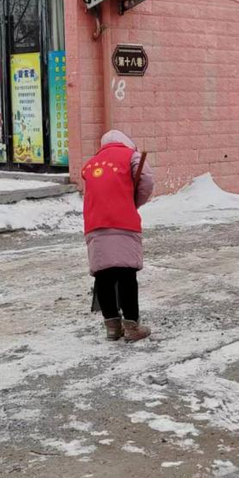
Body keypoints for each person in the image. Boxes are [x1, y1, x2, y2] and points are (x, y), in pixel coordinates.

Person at [82, 131, 155, 343]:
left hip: (95, 224)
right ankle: (132, 326)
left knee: (103, 275)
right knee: (126, 275)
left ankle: (112, 327)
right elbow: (147, 179)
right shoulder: (132, 156)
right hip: (123, 222)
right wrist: (134, 202)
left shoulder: (92, 163)